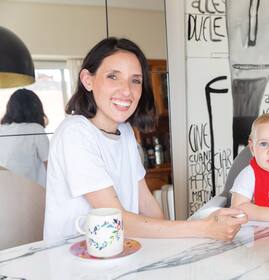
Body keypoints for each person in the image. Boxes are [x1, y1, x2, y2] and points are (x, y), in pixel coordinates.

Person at [43, 37, 247, 241]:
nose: (126, 90)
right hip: (72, 261)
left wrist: (180, 241)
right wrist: (203, 229)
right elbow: (117, 220)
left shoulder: (125, 133)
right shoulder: (75, 133)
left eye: (136, 80)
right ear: (88, 80)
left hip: (119, 256)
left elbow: (147, 205)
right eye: (113, 76)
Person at [0, 88, 49, 187]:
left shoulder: (2, 130)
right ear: (36, 108)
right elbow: (51, 166)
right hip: (29, 193)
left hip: (4, 191)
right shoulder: (35, 129)